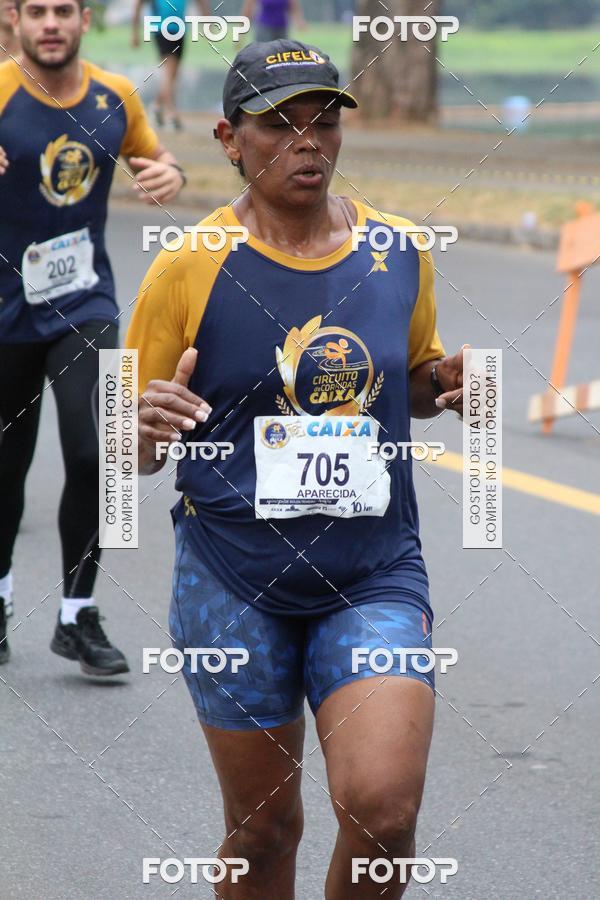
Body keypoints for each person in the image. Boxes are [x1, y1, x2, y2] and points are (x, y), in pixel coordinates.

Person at [127, 39, 465, 898]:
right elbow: (123, 448)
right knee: (265, 829)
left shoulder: (399, 253)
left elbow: (415, 379)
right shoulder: (187, 266)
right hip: (233, 580)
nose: (306, 140)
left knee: (385, 813)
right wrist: (143, 427)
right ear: (228, 138)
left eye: (322, 119)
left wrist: (441, 383)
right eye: (278, 124)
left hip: (374, 573)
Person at [0, 0, 187, 671]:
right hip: (5, 313)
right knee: (7, 468)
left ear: (84, 21)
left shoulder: (115, 98)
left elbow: (159, 158)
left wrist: (172, 173)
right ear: (16, 20)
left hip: (84, 303)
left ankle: (77, 615)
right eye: (38, 11)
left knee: (97, 452)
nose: (51, 24)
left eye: (64, 11)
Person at [131, 0, 210, 132]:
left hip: (180, 29)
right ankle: (172, 114)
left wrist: (206, 21)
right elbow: (139, 4)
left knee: (173, 74)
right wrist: (135, 32)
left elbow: (201, 2)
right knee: (169, 71)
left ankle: (156, 106)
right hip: (162, 28)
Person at [241, 0, 305, 42]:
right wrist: (241, 34)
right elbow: (248, 10)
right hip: (264, 28)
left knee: (282, 56)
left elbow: (294, 7)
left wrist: (299, 21)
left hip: (282, 29)